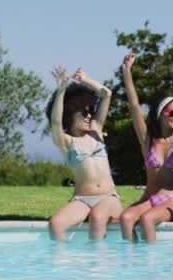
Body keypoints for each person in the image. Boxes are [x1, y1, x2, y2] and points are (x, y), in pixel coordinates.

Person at [119, 53, 173, 244]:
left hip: (172, 200)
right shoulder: (148, 140)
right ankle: (130, 263)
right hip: (149, 198)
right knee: (125, 219)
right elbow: (134, 106)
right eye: (172, 112)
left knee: (147, 219)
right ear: (160, 114)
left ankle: (151, 266)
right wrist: (127, 72)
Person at [46, 66, 122, 241]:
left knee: (98, 217)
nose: (90, 116)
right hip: (82, 200)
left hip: (108, 197)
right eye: (84, 112)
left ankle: (97, 266)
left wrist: (85, 79)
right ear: (70, 115)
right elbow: (56, 123)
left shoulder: (96, 129)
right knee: (56, 223)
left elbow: (106, 94)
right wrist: (61, 91)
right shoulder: (66, 142)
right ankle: (61, 263)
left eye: (91, 111)